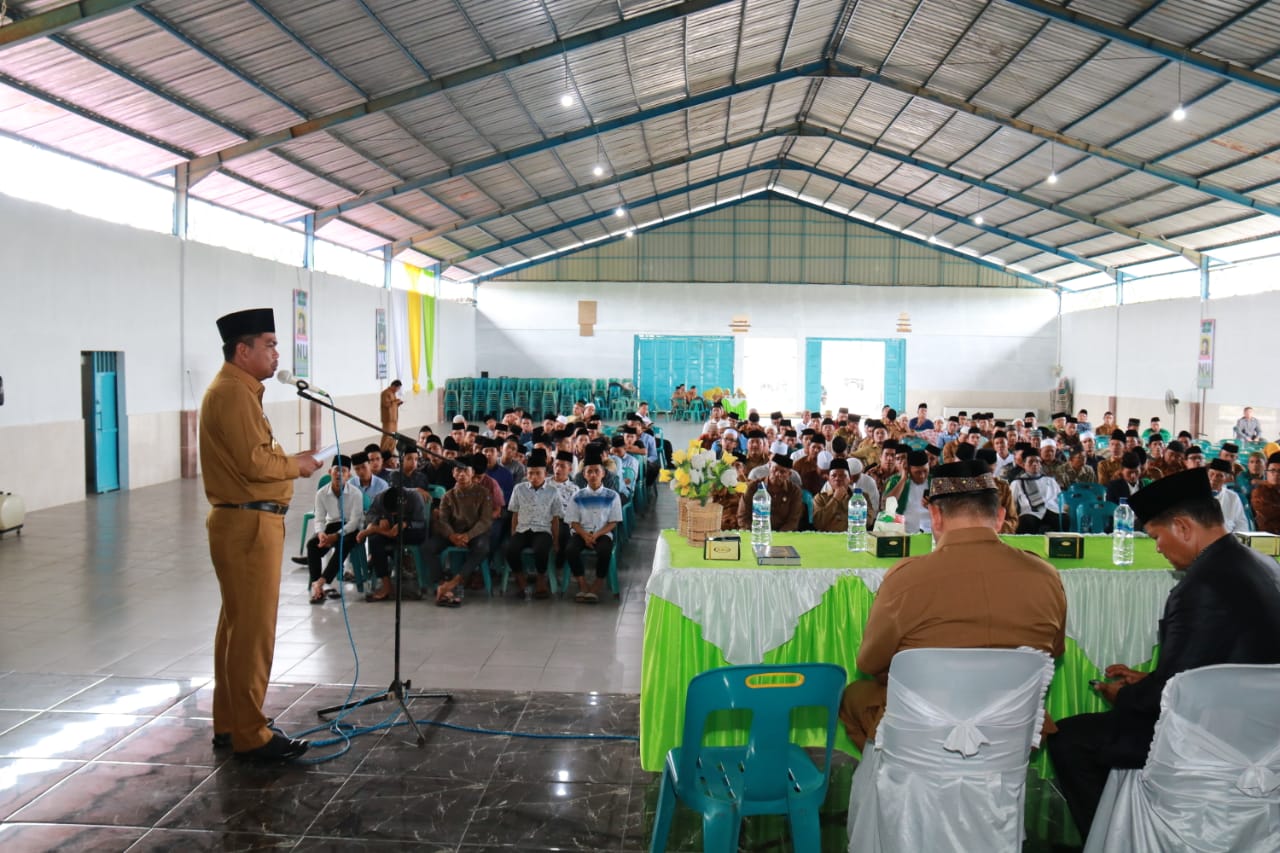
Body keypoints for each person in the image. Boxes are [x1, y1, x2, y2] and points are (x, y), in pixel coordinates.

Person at [1046, 469, 1280, 838]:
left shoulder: (1197, 587)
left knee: (1070, 738)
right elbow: (1213, 667)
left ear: (1184, 528)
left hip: (1209, 735)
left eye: (1157, 536)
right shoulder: (1263, 564)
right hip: (1261, 729)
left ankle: (1115, 839)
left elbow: (1166, 698)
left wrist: (1124, 694)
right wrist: (1150, 680)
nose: (1156, 547)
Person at [838, 460, 1067, 749]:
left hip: (923, 733)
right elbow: (1053, 652)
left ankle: (887, 778)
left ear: (934, 516)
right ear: (999, 517)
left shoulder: (906, 579)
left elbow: (869, 662)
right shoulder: (1046, 577)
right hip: (1008, 735)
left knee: (855, 696)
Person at [201, 308, 320, 762]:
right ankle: (251, 734)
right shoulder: (232, 393)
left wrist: (291, 460)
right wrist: (299, 465)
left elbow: (251, 456)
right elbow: (254, 464)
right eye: (268, 345)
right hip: (249, 524)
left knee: (236, 627)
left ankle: (232, 722)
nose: (276, 353)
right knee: (253, 631)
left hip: (246, 520)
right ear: (242, 350)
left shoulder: (240, 391)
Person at [293, 455, 363, 604]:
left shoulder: (356, 493)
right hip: (332, 525)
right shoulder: (321, 494)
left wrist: (336, 536)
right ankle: (319, 586)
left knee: (343, 544)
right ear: (330, 471)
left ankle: (322, 582)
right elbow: (319, 519)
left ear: (349, 475)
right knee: (312, 545)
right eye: (336, 470)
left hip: (350, 528)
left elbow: (355, 521)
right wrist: (321, 534)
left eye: (343, 471)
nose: (339, 474)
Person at [428, 454, 494, 606]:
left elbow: (485, 521)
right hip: (453, 533)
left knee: (482, 547)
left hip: (474, 534)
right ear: (453, 473)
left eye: (466, 471)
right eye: (458, 471)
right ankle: (441, 584)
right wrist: (451, 536)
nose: (462, 474)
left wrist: (468, 536)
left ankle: (453, 582)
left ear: (472, 473)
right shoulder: (448, 496)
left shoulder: (483, 493)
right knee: (428, 547)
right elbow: (443, 520)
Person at [563, 445, 623, 603]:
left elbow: (613, 522)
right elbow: (573, 521)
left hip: (602, 533)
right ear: (584, 474)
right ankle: (582, 584)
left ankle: (598, 583)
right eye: (589, 471)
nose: (593, 474)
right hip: (581, 532)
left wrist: (596, 535)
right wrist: (584, 535)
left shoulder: (612, 495)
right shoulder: (577, 495)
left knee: (604, 551)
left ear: (603, 473)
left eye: (597, 471)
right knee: (570, 550)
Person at [357, 484, 429, 602]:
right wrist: (380, 518)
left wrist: (406, 524)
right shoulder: (380, 498)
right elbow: (370, 514)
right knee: (375, 540)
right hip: (389, 531)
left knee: (379, 533)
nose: (395, 515)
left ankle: (375, 530)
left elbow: (421, 523)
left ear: (404, 501)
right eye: (392, 513)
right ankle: (386, 585)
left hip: (413, 532)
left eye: (396, 512)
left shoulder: (414, 497)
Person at [504, 449, 560, 599]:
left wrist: (556, 540)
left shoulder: (553, 491)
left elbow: (555, 518)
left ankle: (541, 580)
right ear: (526, 474)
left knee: (541, 550)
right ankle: (521, 581)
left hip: (543, 529)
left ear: (545, 474)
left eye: (538, 473)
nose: (534, 477)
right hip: (522, 529)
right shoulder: (519, 489)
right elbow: (515, 514)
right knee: (510, 550)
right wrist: (513, 534)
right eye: (530, 473)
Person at [737, 454, 804, 531]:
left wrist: (779, 536)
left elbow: (793, 521)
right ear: (769, 467)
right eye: (775, 469)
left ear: (789, 474)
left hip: (783, 535)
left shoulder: (794, 491)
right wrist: (757, 533)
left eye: (783, 472)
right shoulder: (753, 487)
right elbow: (743, 517)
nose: (777, 474)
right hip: (756, 532)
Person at [1008, 448, 1062, 533]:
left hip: (1050, 510)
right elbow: (1011, 504)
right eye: (1031, 462)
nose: (1035, 464)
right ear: (1023, 464)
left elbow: (1059, 499)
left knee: (1063, 519)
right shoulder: (1017, 483)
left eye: (1037, 461)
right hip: (1029, 511)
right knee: (1027, 521)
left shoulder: (1050, 480)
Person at [1207, 458, 1250, 534]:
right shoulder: (1195, 495)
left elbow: (1242, 524)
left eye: (1219, 476)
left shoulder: (1233, 497)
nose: (1214, 478)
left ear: (1226, 479)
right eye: (1211, 474)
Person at [1250, 452, 1280, 533]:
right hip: (1270, 536)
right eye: (1272, 470)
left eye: (1279, 471)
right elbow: (1270, 513)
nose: (1276, 474)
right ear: (1266, 472)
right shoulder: (1259, 492)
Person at [379, 380, 404, 452]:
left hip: (394, 419)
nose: (398, 390)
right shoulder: (385, 393)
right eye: (398, 388)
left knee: (394, 436)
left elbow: (393, 405)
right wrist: (396, 402)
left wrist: (398, 403)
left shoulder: (393, 393)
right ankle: (383, 451)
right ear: (393, 386)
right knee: (387, 435)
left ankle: (391, 451)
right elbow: (386, 404)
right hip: (388, 419)